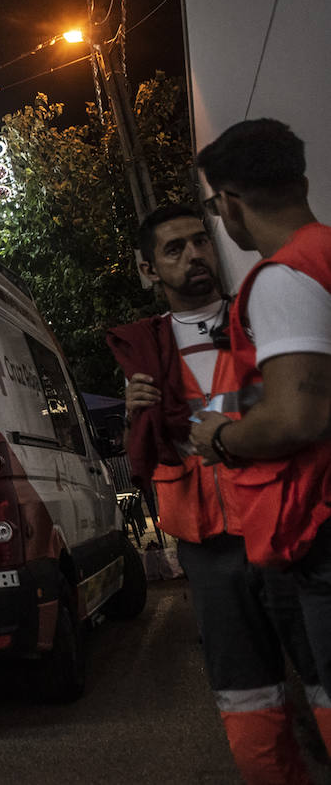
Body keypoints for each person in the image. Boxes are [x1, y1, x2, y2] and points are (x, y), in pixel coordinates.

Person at [106, 204, 322, 783]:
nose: (194, 255)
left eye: (200, 241)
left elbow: (295, 405)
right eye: (174, 249)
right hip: (207, 545)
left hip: (280, 521)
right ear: (147, 268)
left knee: (323, 674)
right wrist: (136, 418)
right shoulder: (143, 355)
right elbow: (147, 453)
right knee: (246, 694)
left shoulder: (262, 318)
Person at [189, 119, 331, 754]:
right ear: (300, 181)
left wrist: (221, 436)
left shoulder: (281, 277)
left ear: (229, 204)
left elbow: (297, 417)